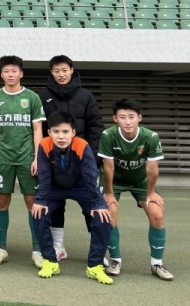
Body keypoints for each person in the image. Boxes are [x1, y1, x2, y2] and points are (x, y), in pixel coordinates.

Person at [31, 111, 113, 284]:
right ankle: (50, 261)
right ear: (49, 132)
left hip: (81, 186)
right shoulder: (44, 145)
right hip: (54, 188)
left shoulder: (82, 146)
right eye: (56, 131)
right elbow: (44, 175)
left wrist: (98, 202)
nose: (61, 136)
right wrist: (40, 200)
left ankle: (95, 265)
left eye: (65, 132)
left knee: (103, 217)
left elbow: (90, 176)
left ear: (73, 132)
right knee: (38, 214)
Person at [99, 98, 173, 281]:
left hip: (140, 181)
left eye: (131, 117)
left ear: (139, 117)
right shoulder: (108, 135)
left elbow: (152, 169)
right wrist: (109, 193)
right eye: (122, 117)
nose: (127, 121)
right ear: (115, 119)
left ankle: (157, 263)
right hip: (114, 181)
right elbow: (108, 167)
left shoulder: (150, 137)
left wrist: (151, 193)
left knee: (157, 214)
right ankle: (115, 260)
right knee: (109, 213)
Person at [39, 55, 104, 261]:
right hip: (53, 162)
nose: (61, 74)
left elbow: (96, 127)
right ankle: (58, 246)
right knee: (55, 206)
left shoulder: (86, 96)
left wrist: (93, 158)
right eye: (57, 71)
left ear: (72, 70)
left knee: (92, 207)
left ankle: (98, 251)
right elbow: (38, 128)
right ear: (51, 72)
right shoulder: (42, 96)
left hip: (81, 162)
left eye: (64, 70)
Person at [0, 55, 45, 267]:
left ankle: (37, 250)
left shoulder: (32, 98)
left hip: (28, 158)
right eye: (6, 71)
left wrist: (38, 158)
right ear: (1, 74)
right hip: (2, 158)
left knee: (32, 202)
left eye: (14, 71)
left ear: (21, 73)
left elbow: (38, 130)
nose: (10, 75)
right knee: (1, 202)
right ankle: (1, 248)